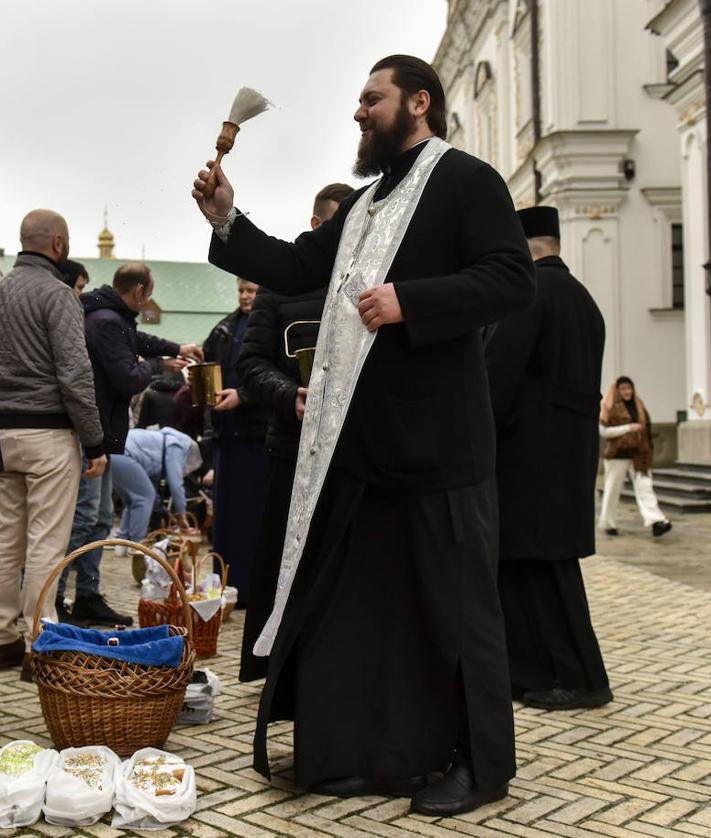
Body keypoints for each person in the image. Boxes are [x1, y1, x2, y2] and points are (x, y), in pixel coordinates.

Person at [193, 55, 536, 816]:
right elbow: (292, 263)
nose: (357, 111)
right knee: (372, 609)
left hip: (439, 446)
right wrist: (227, 218)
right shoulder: (368, 201)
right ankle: (380, 752)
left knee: (459, 611)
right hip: (362, 448)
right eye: (356, 99)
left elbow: (511, 278)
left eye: (370, 99)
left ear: (418, 102)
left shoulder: (465, 180)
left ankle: (484, 769)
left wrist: (409, 301)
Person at [485, 206, 612, 712]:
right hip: (569, 458)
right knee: (540, 570)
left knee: (544, 574)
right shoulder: (584, 299)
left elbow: (497, 379)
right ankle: (537, 670)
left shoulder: (527, 293)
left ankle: (583, 678)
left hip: (529, 462)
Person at [237, 182, 354, 682]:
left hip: (354, 453)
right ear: (316, 226)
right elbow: (251, 364)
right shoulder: (279, 287)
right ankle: (276, 670)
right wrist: (290, 397)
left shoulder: (370, 280)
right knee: (284, 563)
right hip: (293, 448)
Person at [57, 262, 204, 626]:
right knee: (83, 520)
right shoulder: (106, 322)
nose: (148, 300)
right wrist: (153, 367)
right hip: (95, 435)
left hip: (105, 437)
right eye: (149, 294)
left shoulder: (112, 317)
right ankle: (59, 598)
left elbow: (139, 342)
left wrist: (172, 350)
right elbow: (127, 378)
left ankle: (88, 596)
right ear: (138, 291)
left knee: (101, 518)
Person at [0, 210, 106, 680]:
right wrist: (95, 439)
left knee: (6, 539)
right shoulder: (57, 293)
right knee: (46, 542)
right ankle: (39, 643)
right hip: (47, 432)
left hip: (3, 434)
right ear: (59, 243)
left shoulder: (2, 288)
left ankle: (1, 636)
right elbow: (75, 374)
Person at [202, 277, 268, 602]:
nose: (245, 296)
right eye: (241, 290)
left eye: (252, 291)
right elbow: (207, 364)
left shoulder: (268, 324)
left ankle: (250, 587)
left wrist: (243, 397)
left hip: (256, 433)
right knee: (226, 516)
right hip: (227, 433)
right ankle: (225, 585)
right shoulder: (225, 327)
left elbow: (273, 376)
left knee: (253, 513)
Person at [599, 376, 672, 537]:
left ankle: (656, 521)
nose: (627, 392)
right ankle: (608, 523)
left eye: (629, 388)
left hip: (639, 453)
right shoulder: (608, 406)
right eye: (623, 389)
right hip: (617, 454)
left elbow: (646, 428)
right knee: (612, 490)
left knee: (645, 487)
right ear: (617, 390)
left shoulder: (638, 405)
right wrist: (628, 428)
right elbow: (604, 432)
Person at [112, 427, 203, 544]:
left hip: (114, 452)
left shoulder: (161, 442)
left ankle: (123, 542)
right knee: (144, 498)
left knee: (132, 500)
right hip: (124, 453)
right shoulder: (176, 447)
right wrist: (182, 515)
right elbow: (176, 486)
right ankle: (136, 544)